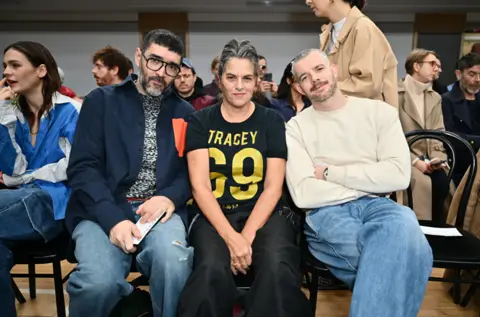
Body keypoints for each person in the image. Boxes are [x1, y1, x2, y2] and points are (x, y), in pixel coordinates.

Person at [286, 48, 432, 317]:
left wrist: (330, 173)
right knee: (411, 256)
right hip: (326, 213)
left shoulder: (380, 113)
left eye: (319, 69)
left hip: (380, 206)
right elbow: (304, 194)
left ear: (334, 70)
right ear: (299, 87)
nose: (315, 79)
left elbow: (399, 176)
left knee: (403, 232)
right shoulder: (295, 127)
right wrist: (372, 176)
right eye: (305, 77)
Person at [177, 39, 312, 317]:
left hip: (264, 213)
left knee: (277, 266)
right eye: (231, 77)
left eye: (247, 78)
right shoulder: (200, 121)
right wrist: (231, 238)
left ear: (257, 80)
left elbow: (274, 187)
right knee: (210, 268)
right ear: (219, 79)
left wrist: (246, 237)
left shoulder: (272, 121)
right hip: (213, 214)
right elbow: (200, 187)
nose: (239, 86)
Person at [65, 29, 194, 317]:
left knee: (174, 264)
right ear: (138, 57)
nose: (162, 72)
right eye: (154, 61)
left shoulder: (185, 113)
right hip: (102, 208)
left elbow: (191, 171)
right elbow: (83, 169)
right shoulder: (101, 101)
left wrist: (170, 198)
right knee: (97, 284)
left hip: (159, 212)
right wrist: (113, 220)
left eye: (172, 66)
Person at [0, 41, 80, 317]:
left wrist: (25, 177)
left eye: (15, 65)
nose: (7, 72)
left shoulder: (71, 110)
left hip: (55, 205)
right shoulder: (12, 113)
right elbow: (13, 169)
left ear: (41, 70)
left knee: (32, 193)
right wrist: (1, 116)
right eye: (5, 66)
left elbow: (73, 167)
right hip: (20, 201)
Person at [307, 0, 398, 108]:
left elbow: (367, 85)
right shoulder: (329, 34)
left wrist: (322, 89)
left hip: (365, 119)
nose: (308, 1)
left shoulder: (363, 27)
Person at [398, 49, 450, 223]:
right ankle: (419, 231)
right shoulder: (394, 93)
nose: (438, 69)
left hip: (429, 159)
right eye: (433, 64)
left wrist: (438, 159)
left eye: (439, 66)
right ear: (416, 66)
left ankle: (437, 235)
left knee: (443, 181)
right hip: (402, 157)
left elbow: (438, 132)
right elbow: (391, 136)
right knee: (421, 184)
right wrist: (415, 161)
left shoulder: (435, 97)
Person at [442, 52, 480, 185]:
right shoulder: (446, 100)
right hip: (460, 162)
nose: (477, 79)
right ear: (459, 74)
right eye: (472, 74)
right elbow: (450, 135)